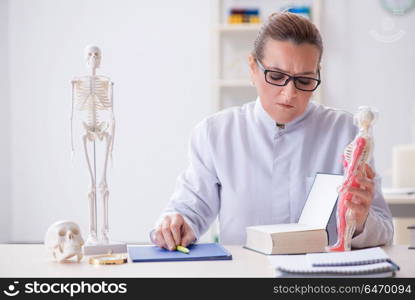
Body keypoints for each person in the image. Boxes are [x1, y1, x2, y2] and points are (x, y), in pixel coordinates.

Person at [150, 12, 393, 251]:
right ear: (253, 68)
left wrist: (360, 221)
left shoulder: (346, 131)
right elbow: (190, 210)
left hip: (321, 281)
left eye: (305, 81)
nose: (289, 94)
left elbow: (384, 229)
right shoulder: (216, 133)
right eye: (276, 76)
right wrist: (175, 224)